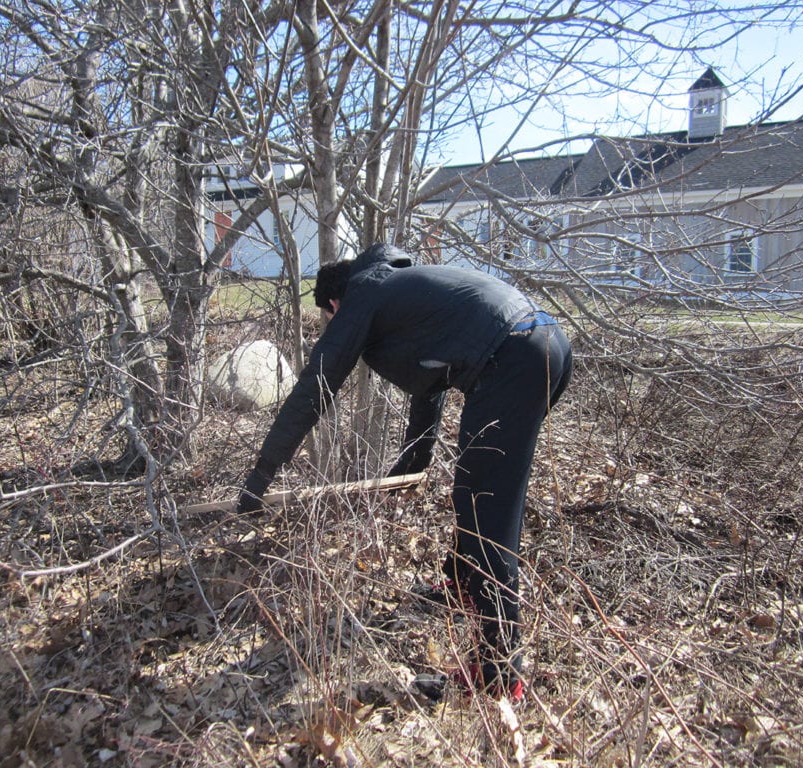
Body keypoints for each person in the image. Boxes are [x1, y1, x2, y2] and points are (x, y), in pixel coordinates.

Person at [237, 242, 572, 701]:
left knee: (487, 511)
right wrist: (415, 463)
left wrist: (258, 480)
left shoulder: (363, 295)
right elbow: (431, 379)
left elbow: (312, 389)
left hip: (514, 359)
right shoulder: (400, 289)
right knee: (476, 489)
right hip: (546, 344)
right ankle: (462, 585)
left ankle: (498, 674)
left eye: (331, 319)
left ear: (334, 305)